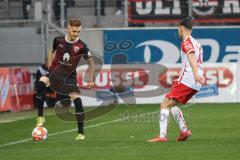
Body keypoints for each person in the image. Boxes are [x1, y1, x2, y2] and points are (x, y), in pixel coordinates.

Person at [35, 19, 95, 140]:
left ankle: (81, 133)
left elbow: (91, 63)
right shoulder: (58, 40)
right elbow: (52, 51)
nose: (76, 34)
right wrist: (50, 66)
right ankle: (40, 116)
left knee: (77, 100)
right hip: (54, 73)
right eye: (74, 31)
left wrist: (91, 79)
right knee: (41, 82)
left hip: (69, 77)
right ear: (68, 28)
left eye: (78, 32)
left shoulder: (82, 46)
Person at [148, 17, 205, 143]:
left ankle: (162, 136)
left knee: (165, 104)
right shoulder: (197, 43)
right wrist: (183, 76)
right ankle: (184, 131)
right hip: (193, 82)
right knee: (172, 105)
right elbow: (191, 61)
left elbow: (191, 57)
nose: (178, 32)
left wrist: (194, 74)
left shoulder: (186, 42)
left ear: (182, 28)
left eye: (178, 29)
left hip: (190, 79)